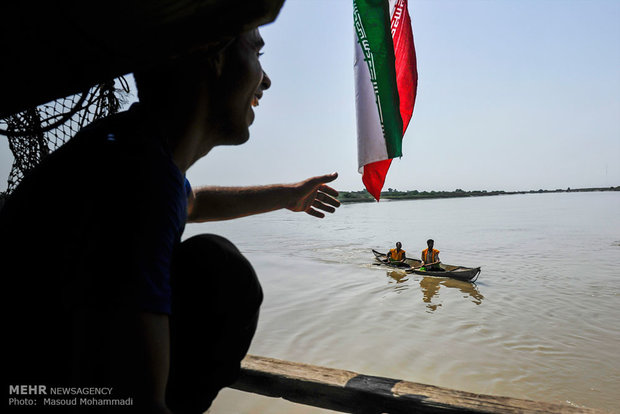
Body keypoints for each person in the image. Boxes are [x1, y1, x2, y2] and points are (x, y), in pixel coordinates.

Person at [1, 27, 340, 413]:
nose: (266, 79)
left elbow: (193, 203)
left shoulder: (132, 152)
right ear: (213, 54)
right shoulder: (136, 178)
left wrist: (287, 196)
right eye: (256, 53)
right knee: (220, 270)